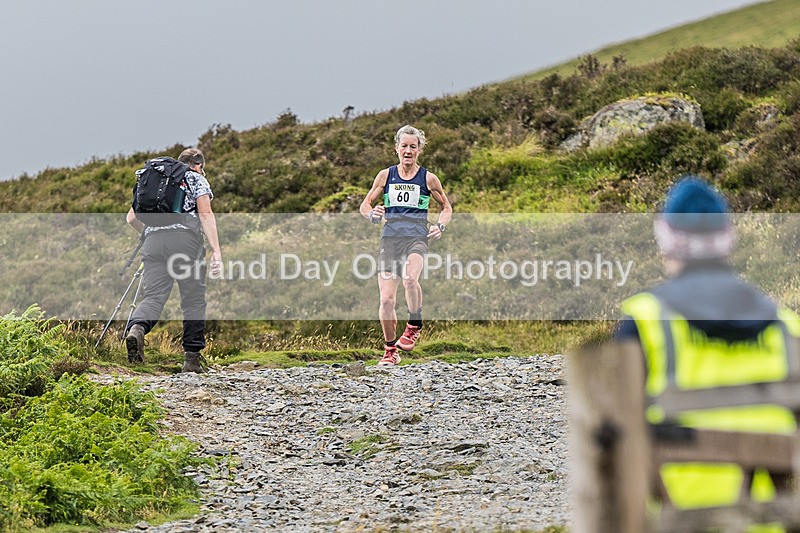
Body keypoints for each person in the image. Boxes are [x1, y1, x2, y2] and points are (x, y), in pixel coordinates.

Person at [616, 176, 800, 529]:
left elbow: (612, 434)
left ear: (666, 241)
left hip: (679, 517)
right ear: (727, 240)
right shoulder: (787, 327)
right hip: (774, 522)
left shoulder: (645, 321)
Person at [359, 125, 452, 366]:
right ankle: (390, 350)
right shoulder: (385, 176)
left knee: (411, 279)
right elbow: (365, 205)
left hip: (417, 237)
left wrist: (440, 226)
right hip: (390, 238)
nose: (408, 151)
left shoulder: (428, 179)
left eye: (413, 146)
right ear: (396, 149)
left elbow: (446, 207)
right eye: (404, 146)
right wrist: (373, 214)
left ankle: (414, 324)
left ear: (419, 150)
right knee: (387, 300)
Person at [124, 148, 222, 373]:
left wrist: (148, 233)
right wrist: (216, 250)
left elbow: (131, 218)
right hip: (185, 243)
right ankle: (192, 360)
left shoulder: (154, 179)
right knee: (193, 299)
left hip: (153, 242)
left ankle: (137, 329)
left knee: (154, 296)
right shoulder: (196, 179)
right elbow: (205, 214)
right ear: (198, 165)